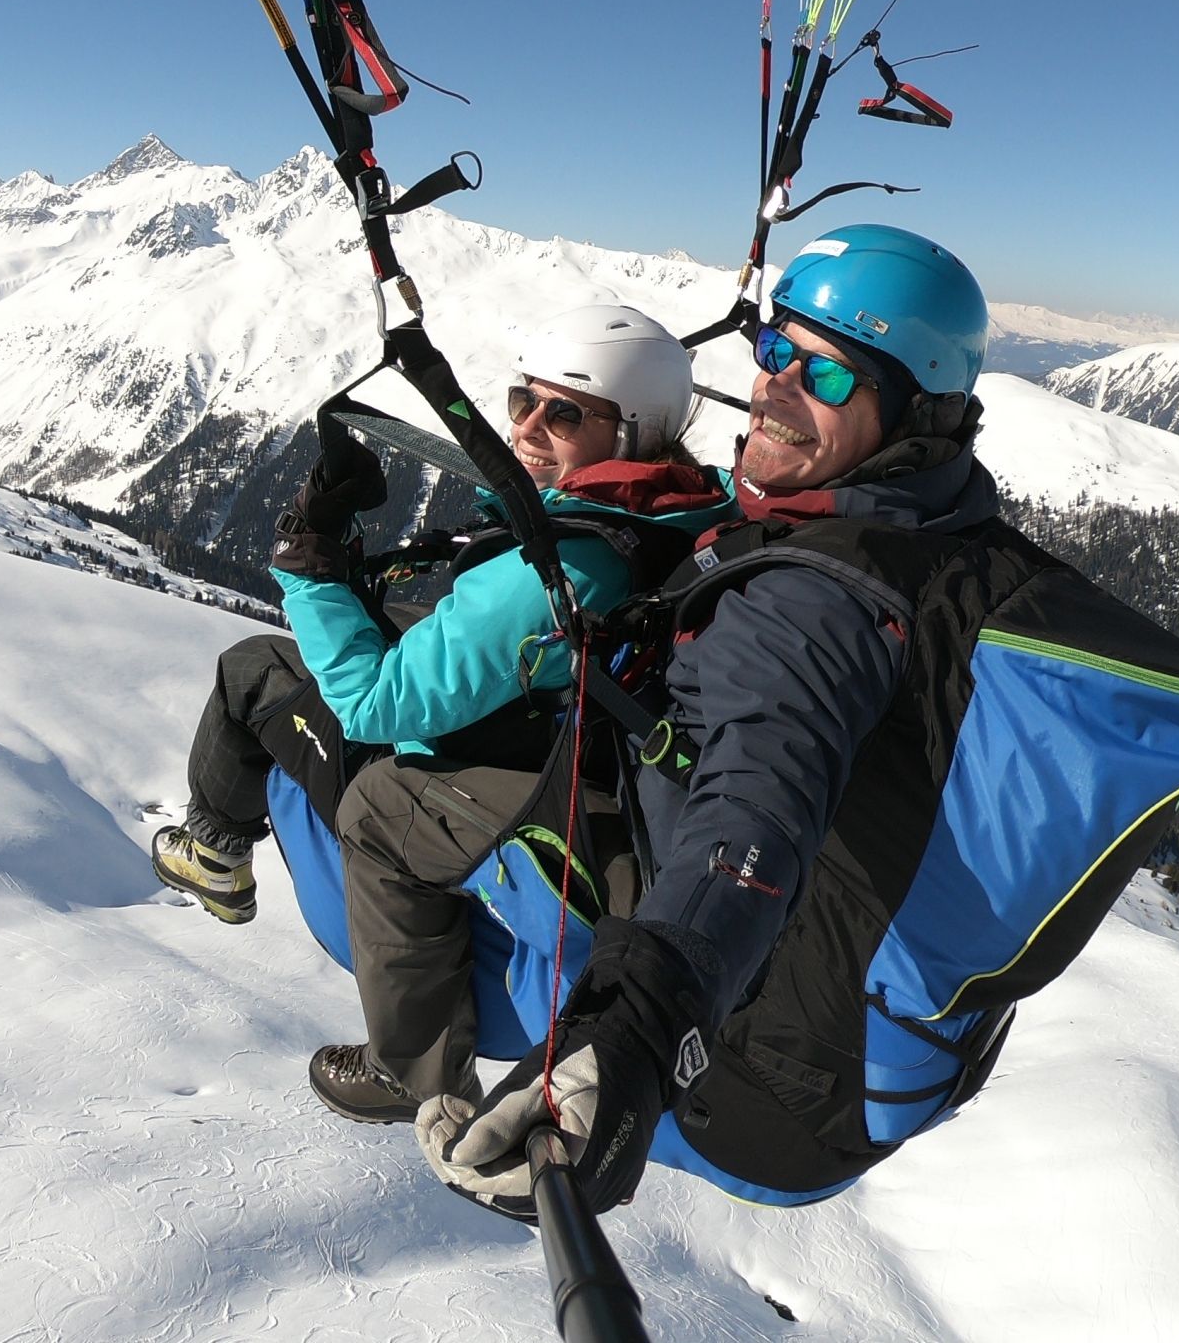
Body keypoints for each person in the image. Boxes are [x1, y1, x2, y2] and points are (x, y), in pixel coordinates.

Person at [416, 222, 1010, 1214]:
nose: (774, 385)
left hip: (745, 1077)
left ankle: (413, 1066)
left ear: (917, 416)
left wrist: (639, 1030)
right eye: (775, 350)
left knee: (386, 808)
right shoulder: (945, 526)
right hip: (858, 1045)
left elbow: (756, 813)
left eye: (826, 377)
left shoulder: (812, 608)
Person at [147, 303, 739, 1116]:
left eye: (564, 413)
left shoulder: (565, 567)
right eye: (521, 401)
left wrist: (309, 563)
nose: (529, 428)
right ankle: (214, 846)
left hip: (539, 753)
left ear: (633, 431)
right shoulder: (680, 500)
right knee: (271, 663)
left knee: (371, 803)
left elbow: (370, 702)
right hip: (574, 714)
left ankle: (412, 1071)